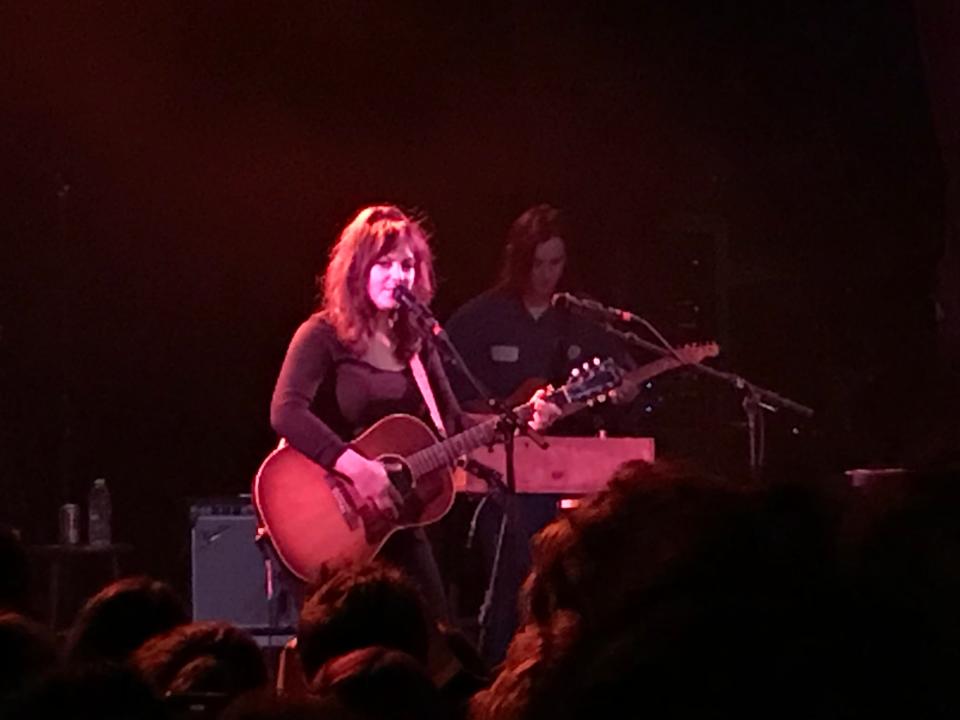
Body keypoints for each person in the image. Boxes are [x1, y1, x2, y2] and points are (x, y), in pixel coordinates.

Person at [269, 204, 559, 621]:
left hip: (397, 520)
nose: (398, 275)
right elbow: (286, 412)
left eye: (407, 264)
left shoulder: (418, 342)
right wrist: (360, 469)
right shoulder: (323, 334)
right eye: (384, 264)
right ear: (357, 269)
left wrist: (524, 416)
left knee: (437, 640)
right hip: (330, 517)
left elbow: (455, 426)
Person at [445, 204, 636, 665]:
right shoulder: (481, 317)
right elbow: (443, 394)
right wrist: (490, 416)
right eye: (538, 263)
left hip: (562, 472)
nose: (547, 274)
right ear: (519, 259)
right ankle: (499, 670)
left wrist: (626, 389)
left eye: (556, 263)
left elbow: (618, 373)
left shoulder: (577, 318)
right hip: (491, 471)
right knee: (511, 568)